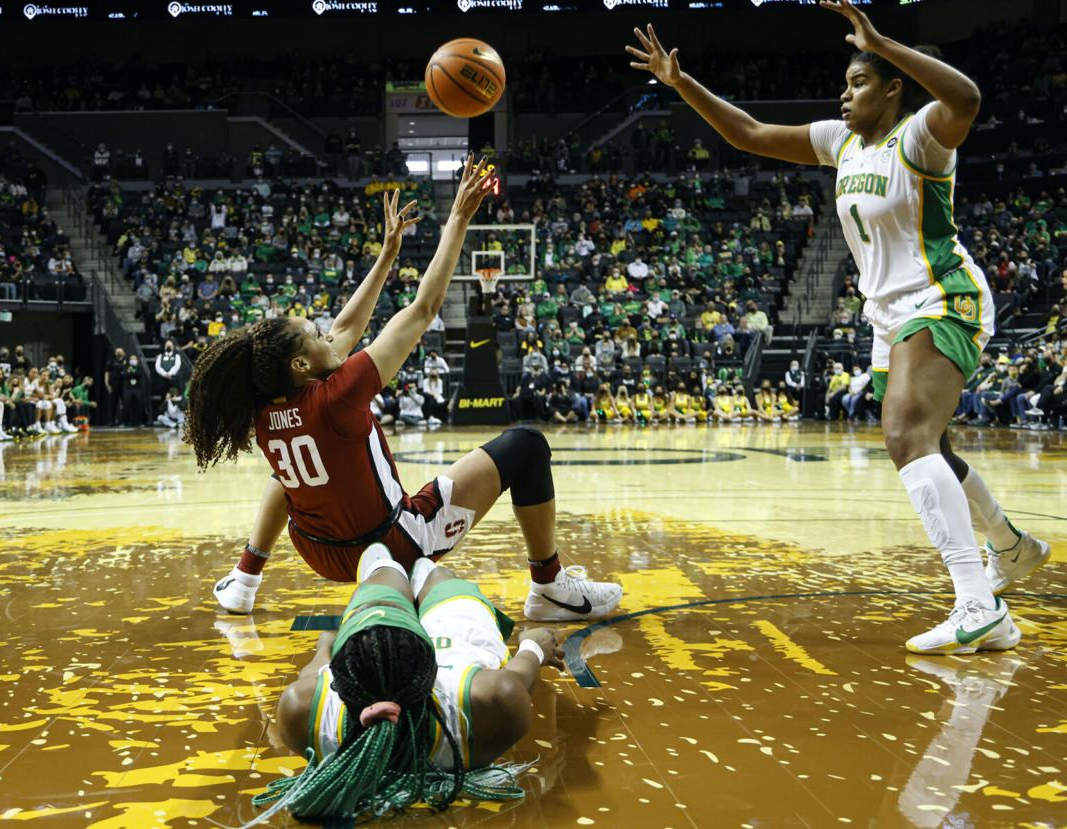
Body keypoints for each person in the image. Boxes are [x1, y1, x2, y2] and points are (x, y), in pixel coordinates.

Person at [626, 1, 1047, 654]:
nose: (843, 94)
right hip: (887, 316)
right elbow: (749, 133)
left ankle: (977, 602)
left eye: (857, 83)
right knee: (931, 445)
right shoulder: (840, 143)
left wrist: (882, 41)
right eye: (845, 84)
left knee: (907, 433)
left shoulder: (923, 136)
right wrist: (681, 82)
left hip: (941, 296)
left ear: (892, 88)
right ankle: (1010, 547)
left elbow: (966, 95)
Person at [185, 160, 621, 622]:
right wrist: (458, 218)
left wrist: (388, 252)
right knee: (527, 446)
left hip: (319, 551)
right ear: (300, 363)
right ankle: (549, 585)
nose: (326, 334)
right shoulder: (340, 393)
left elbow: (346, 327)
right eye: (315, 333)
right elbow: (425, 306)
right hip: (393, 542)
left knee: (287, 475)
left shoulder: (263, 404)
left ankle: (246, 577)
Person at [258, 543, 558, 823]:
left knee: (382, 570)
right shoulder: (491, 699)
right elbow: (520, 675)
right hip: (459, 636)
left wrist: (324, 646)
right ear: (431, 669)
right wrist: (535, 645)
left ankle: (387, 566)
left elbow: (312, 672)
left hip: (391, 640)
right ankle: (421, 566)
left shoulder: (300, 710)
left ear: (339, 678)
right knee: (438, 573)